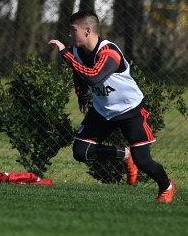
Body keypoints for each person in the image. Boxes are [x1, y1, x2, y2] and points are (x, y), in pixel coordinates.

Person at [48, 10, 176, 203]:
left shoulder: (109, 52)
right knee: (81, 152)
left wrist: (64, 53)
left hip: (131, 111)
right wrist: (81, 94)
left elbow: (92, 76)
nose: (69, 35)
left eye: (73, 30)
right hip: (102, 111)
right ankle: (124, 154)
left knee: (143, 161)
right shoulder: (76, 51)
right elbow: (79, 73)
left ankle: (167, 187)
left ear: (88, 30)